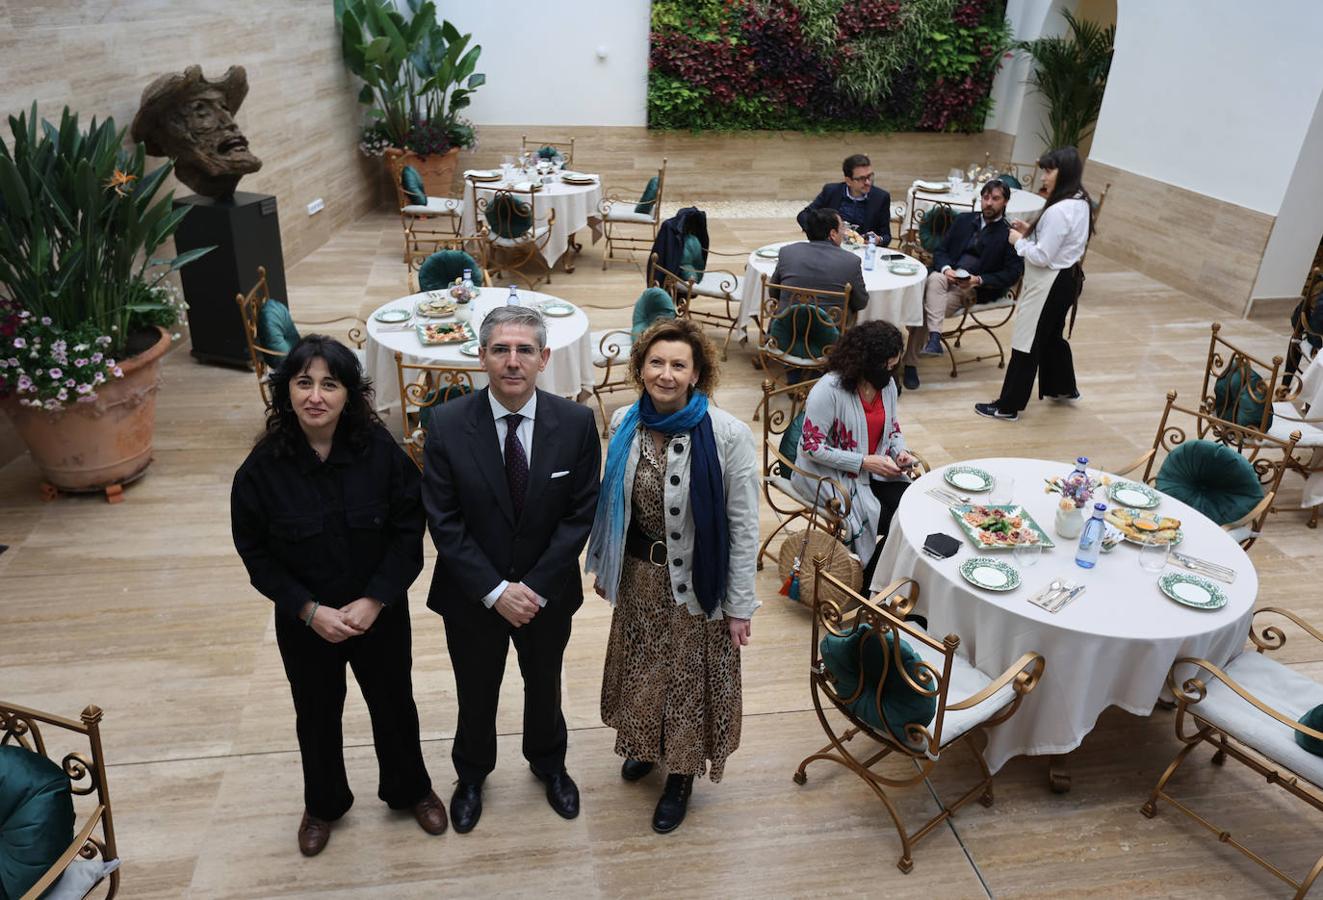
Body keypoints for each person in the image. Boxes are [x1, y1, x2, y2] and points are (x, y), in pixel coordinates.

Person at [230, 335, 445, 858]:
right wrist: (308, 610)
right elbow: (255, 554)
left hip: (379, 614)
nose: (316, 396)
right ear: (287, 393)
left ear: (350, 393)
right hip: (308, 622)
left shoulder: (381, 455)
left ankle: (409, 789)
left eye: (330, 383)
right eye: (304, 383)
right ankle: (322, 805)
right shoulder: (260, 471)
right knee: (316, 712)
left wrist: (375, 600)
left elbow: (406, 532)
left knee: (394, 704)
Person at [421, 305, 601, 833]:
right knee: (475, 690)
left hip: (547, 595)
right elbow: (443, 519)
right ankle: (472, 775)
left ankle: (549, 764)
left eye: (525, 350)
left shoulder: (575, 424)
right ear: (481, 358)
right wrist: (496, 589)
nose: (513, 361)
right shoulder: (447, 423)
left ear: (545, 358)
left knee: (544, 685)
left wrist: (534, 588)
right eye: (501, 349)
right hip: (472, 595)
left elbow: (579, 513)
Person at [586, 318, 759, 835]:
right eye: (656, 362)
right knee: (643, 669)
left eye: (678, 364)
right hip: (640, 577)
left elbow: (744, 527)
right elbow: (613, 502)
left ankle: (681, 775)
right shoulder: (623, 423)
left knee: (688, 681)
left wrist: (740, 605)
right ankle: (645, 744)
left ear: (696, 372)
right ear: (640, 367)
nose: (665, 374)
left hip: (696, 585)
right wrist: (607, 563)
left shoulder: (728, 435)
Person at [790, 320, 916, 588]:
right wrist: (863, 461)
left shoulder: (888, 386)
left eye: (895, 365)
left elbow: (892, 428)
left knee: (913, 508)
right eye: (887, 366)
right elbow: (811, 447)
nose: (892, 372)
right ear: (865, 362)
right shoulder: (829, 390)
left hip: (874, 472)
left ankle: (880, 579)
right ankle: (871, 585)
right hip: (828, 475)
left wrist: (900, 450)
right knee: (885, 517)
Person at [975, 147, 1092, 422]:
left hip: (1050, 281)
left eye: (1050, 171)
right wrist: (1031, 232)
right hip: (1068, 279)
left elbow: (1042, 256)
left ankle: (1008, 406)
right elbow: (1062, 241)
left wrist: (1018, 241)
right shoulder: (1080, 201)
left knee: (1027, 340)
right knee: (1050, 335)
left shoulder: (1059, 210)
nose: (1045, 176)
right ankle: (1062, 388)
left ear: (1064, 173)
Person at [901, 179, 1024, 390]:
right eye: (986, 198)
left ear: (1005, 202)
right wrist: (946, 268)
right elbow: (941, 251)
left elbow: (1012, 273)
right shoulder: (964, 220)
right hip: (946, 278)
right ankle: (934, 337)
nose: (989, 203)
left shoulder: (1008, 234)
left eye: (995, 199)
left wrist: (979, 280)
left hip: (972, 288)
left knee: (924, 308)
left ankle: (910, 364)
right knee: (935, 278)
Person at [770, 208, 869, 315]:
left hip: (785, 328)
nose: (844, 232)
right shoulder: (851, 261)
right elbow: (860, 303)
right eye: (842, 228)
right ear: (833, 233)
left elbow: (773, 292)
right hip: (829, 330)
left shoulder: (787, 252)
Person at [797, 153, 893, 244]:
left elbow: (886, 236)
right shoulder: (831, 191)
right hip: (832, 248)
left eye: (870, 176)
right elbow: (803, 215)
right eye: (861, 178)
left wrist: (879, 240)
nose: (868, 182)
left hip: (863, 250)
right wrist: (821, 235)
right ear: (848, 181)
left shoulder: (881, 197)